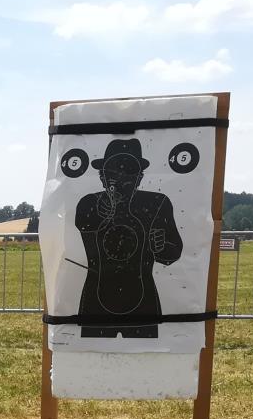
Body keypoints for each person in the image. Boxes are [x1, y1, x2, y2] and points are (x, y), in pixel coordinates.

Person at [73, 137, 183, 338]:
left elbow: (173, 253)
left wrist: (160, 248)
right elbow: (84, 224)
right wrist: (103, 212)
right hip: (97, 299)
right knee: (90, 358)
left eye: (128, 171)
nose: (121, 178)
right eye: (114, 171)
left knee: (148, 361)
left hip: (142, 300)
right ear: (102, 177)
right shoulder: (90, 203)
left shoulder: (157, 204)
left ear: (139, 178)